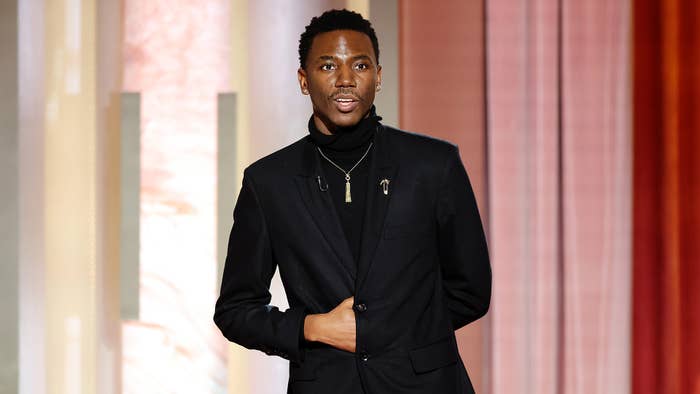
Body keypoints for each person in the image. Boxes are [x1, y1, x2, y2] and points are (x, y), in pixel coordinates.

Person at [214, 9, 491, 394]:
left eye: (360, 65)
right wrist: (312, 327)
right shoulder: (269, 182)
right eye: (328, 66)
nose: (345, 79)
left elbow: (471, 291)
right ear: (303, 80)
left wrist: (389, 333)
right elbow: (235, 310)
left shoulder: (433, 165)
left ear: (378, 77)